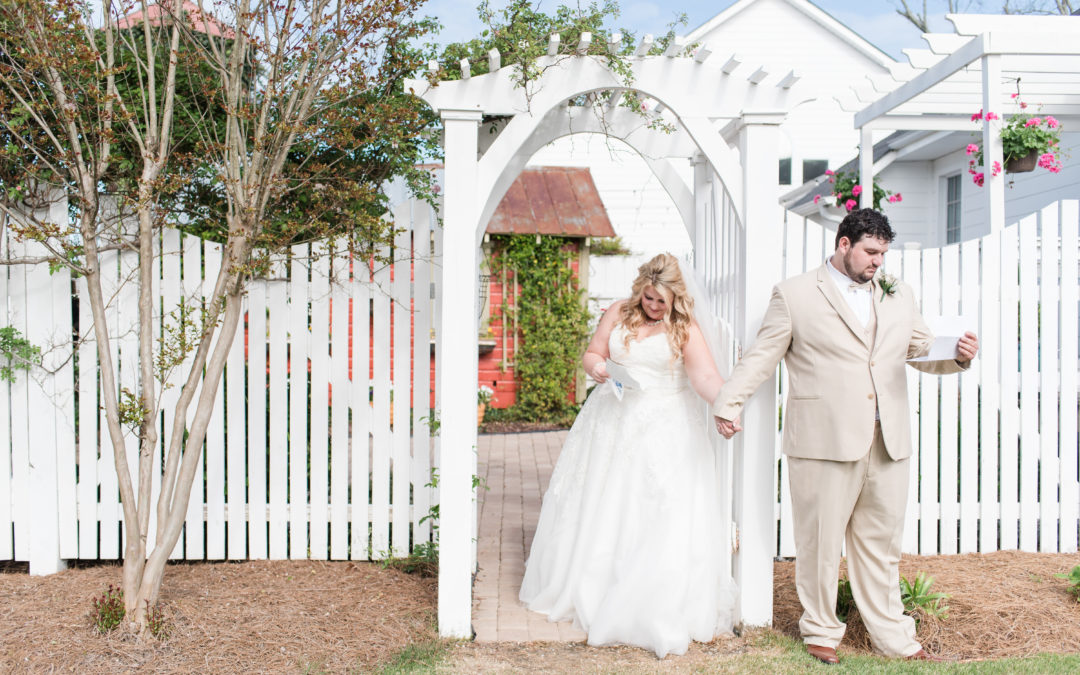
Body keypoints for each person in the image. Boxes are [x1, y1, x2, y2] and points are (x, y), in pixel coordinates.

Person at [713, 208, 979, 664]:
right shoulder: (794, 294)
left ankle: (893, 637)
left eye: (883, 254)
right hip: (823, 440)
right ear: (843, 245)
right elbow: (763, 355)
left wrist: (957, 356)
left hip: (888, 441)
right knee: (819, 542)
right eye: (871, 252)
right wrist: (728, 403)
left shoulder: (899, 295)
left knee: (881, 545)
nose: (878, 262)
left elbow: (920, 350)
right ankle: (820, 630)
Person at [519, 252, 737, 658]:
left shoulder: (684, 328)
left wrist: (724, 405)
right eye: (649, 298)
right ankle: (593, 583)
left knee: (648, 507)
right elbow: (592, 353)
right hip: (610, 422)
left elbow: (704, 376)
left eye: (661, 302)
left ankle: (645, 596)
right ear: (641, 288)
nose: (653, 307)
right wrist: (599, 367)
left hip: (663, 426)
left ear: (676, 300)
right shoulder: (620, 311)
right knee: (602, 503)